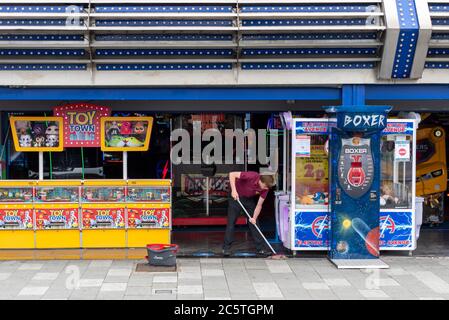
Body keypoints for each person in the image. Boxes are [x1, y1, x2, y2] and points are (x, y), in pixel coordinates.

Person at [223, 171, 275, 256]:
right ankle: (226, 248)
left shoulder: (265, 189)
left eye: (267, 187)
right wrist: (234, 191)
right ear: (261, 181)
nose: (266, 188)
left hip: (248, 199)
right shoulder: (252, 176)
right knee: (231, 222)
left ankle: (260, 248)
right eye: (265, 186)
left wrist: (254, 218)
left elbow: (259, 205)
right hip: (236, 197)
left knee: (254, 223)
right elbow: (232, 174)